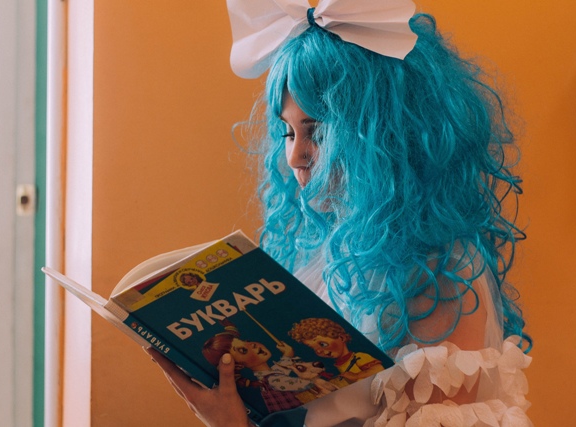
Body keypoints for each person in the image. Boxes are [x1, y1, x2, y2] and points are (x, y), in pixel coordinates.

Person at [146, 0, 533, 425]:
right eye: (288, 132)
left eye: (318, 132)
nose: (295, 156)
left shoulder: (440, 274)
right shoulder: (323, 252)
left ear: (386, 134)